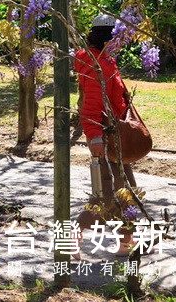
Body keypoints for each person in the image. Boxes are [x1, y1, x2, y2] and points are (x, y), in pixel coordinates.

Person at [74, 13, 137, 245]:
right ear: (108, 39)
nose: (121, 43)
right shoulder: (95, 64)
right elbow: (91, 105)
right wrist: (95, 138)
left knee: (117, 192)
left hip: (115, 135)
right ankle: (74, 235)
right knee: (118, 193)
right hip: (105, 135)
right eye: (118, 38)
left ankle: (125, 240)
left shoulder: (103, 59)